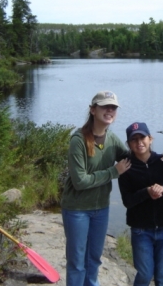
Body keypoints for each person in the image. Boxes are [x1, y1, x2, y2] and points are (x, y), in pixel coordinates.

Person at [61, 90, 131, 286]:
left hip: (101, 209)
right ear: (93, 110)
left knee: (94, 258)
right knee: (77, 262)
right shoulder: (78, 140)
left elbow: (133, 161)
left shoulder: (112, 139)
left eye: (113, 108)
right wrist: (113, 172)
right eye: (105, 106)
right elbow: (80, 181)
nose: (110, 110)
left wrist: (162, 158)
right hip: (77, 210)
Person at [118, 122, 163, 286]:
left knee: (162, 278)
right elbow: (127, 201)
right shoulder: (126, 168)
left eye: (142, 137)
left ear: (150, 139)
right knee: (145, 275)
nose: (139, 143)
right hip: (141, 230)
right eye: (134, 140)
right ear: (128, 144)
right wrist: (146, 192)